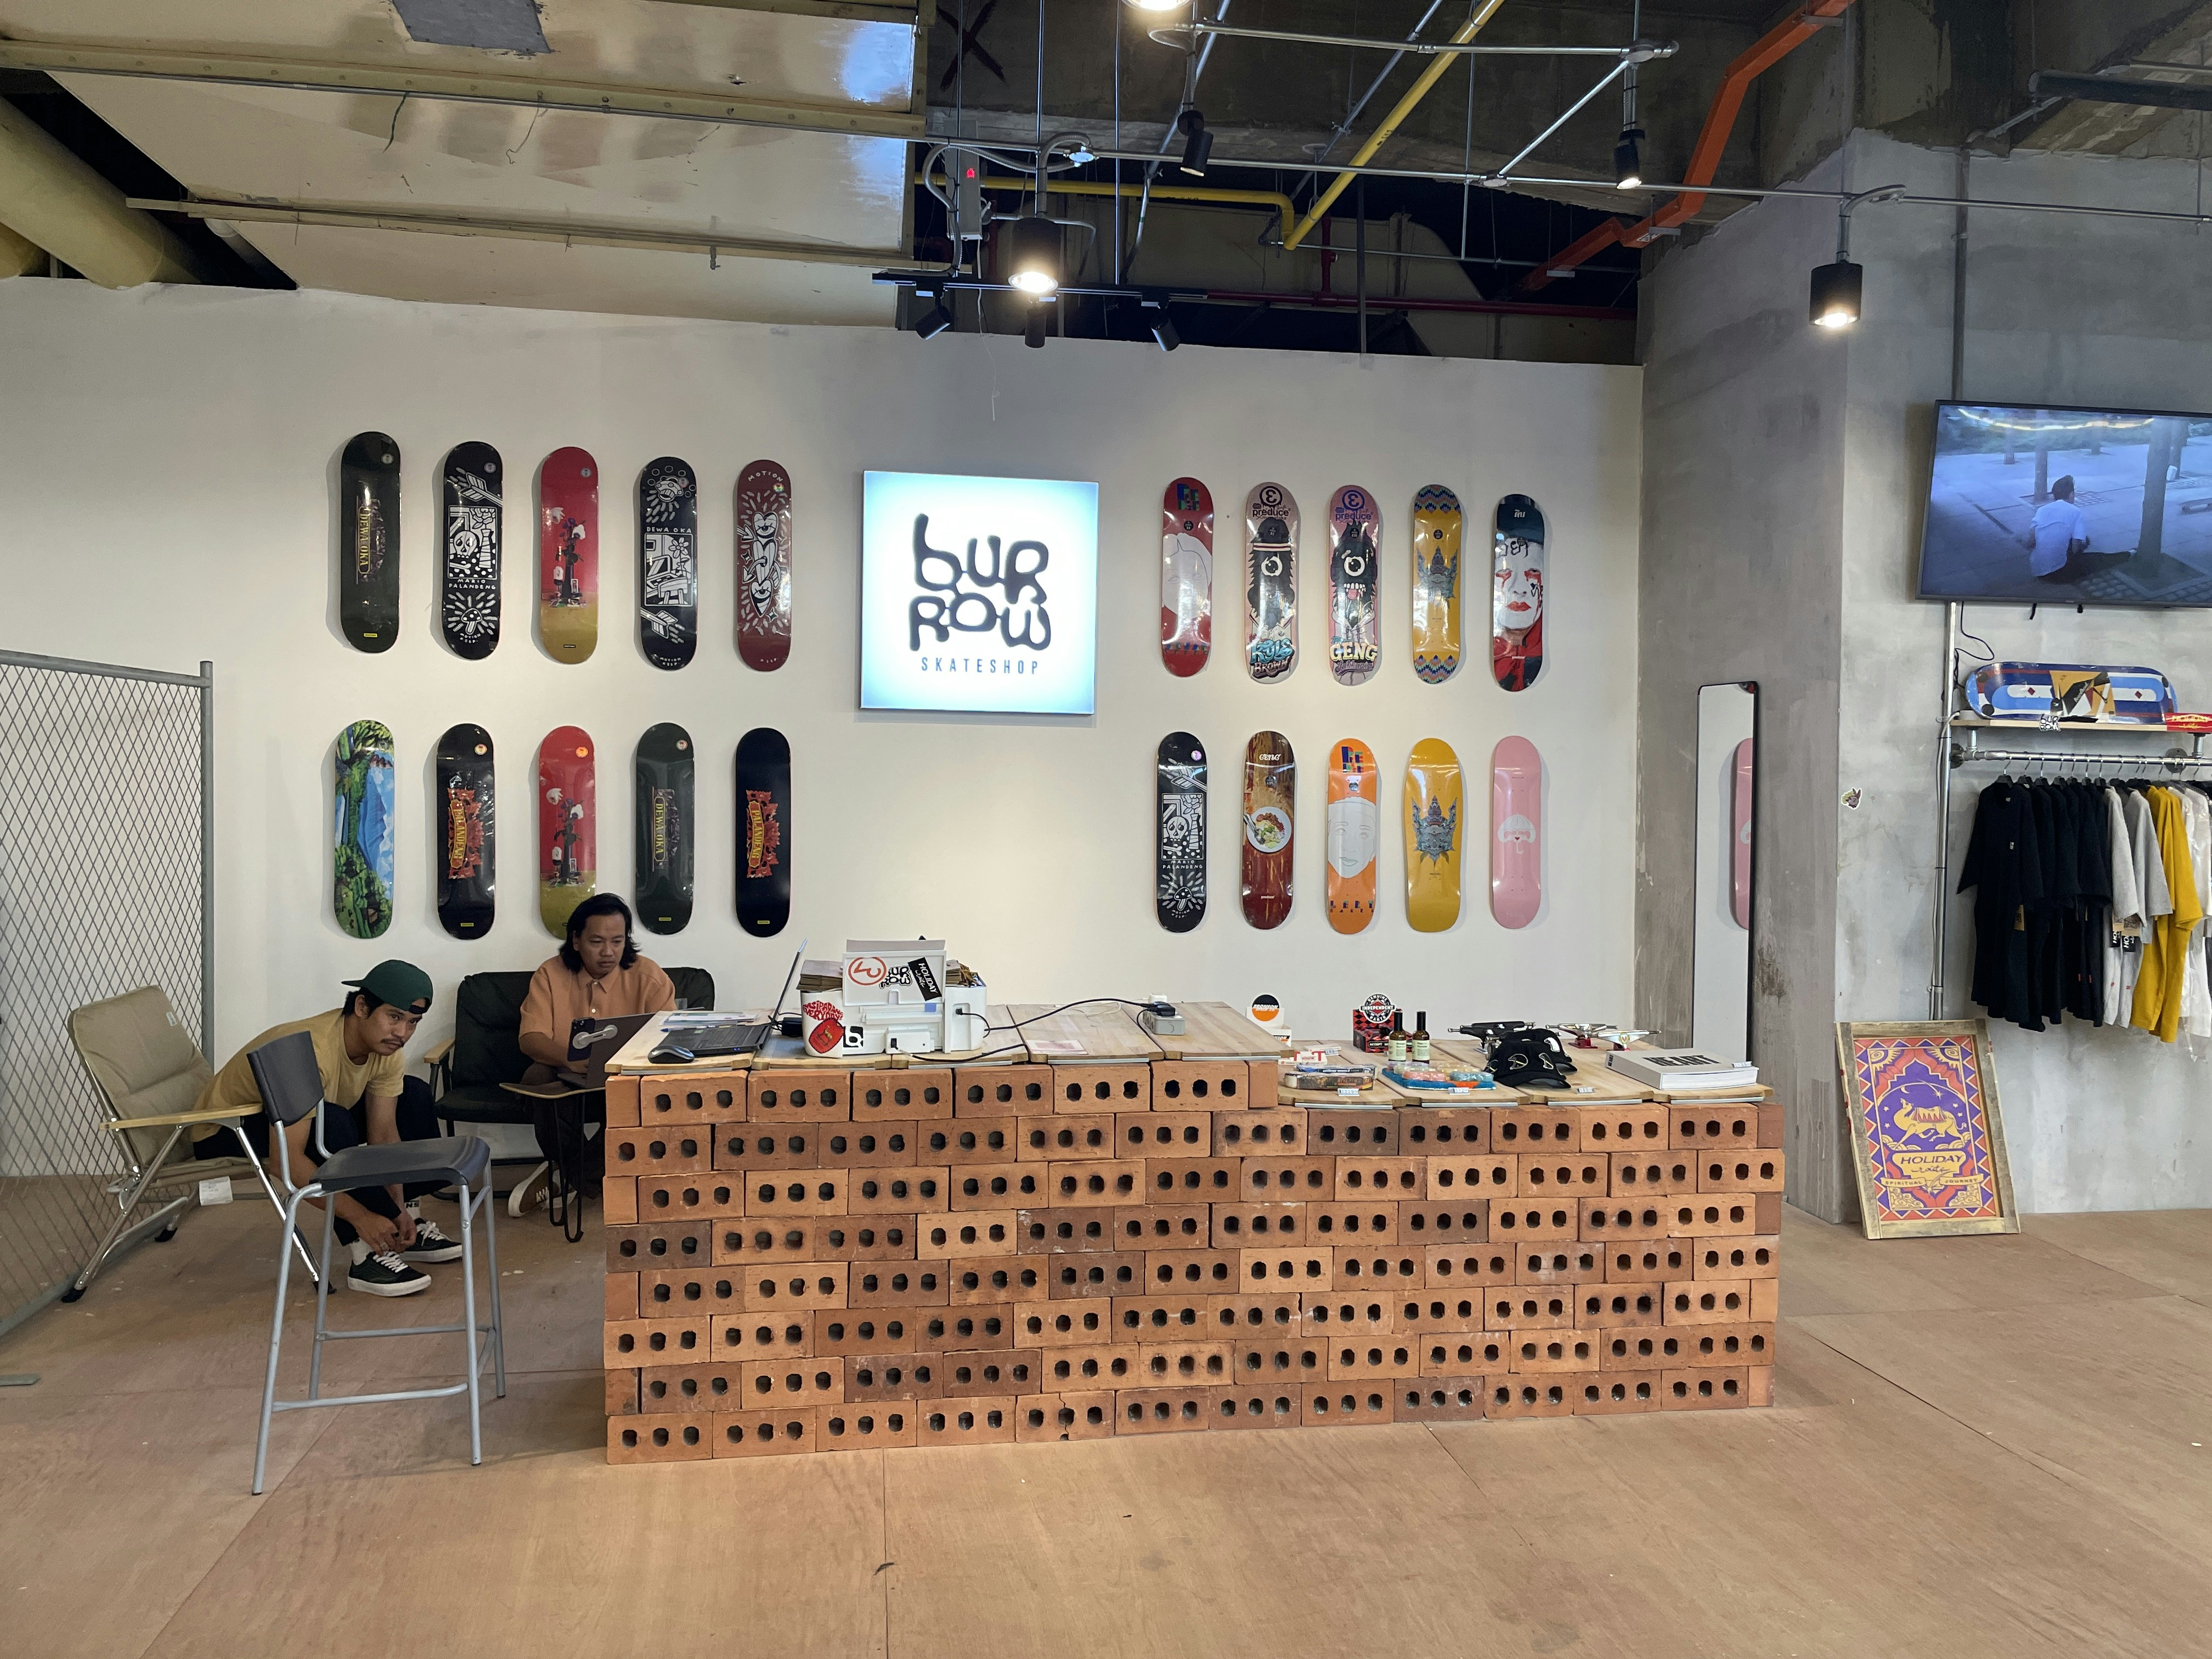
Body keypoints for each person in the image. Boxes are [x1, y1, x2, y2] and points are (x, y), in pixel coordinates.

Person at [194, 960, 458, 1297]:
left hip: (302, 1119)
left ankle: (405, 1228)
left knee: (413, 1095)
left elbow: (384, 1136)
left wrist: (398, 1207)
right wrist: (363, 1217)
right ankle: (365, 1257)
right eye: (394, 1017)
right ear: (362, 1006)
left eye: (413, 1023)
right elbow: (286, 1163)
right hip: (224, 1132)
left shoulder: (386, 1047)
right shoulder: (310, 1051)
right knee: (331, 1126)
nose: (403, 1033)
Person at [510, 893, 676, 1216]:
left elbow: (669, 1037)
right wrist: (567, 1058)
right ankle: (585, 1177)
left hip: (626, 1081)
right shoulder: (550, 974)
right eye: (597, 941)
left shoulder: (649, 976)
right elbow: (530, 1038)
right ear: (576, 940)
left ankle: (569, 1176)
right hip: (566, 1075)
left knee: (649, 1098)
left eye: (618, 941)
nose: (608, 952)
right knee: (537, 1080)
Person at [2025, 475, 2090, 579]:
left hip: (2037, 570)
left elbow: (2031, 541)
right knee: (2086, 542)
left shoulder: (2042, 510)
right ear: (2072, 495)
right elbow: (2075, 547)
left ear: (2054, 495)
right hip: (2060, 572)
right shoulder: (2075, 512)